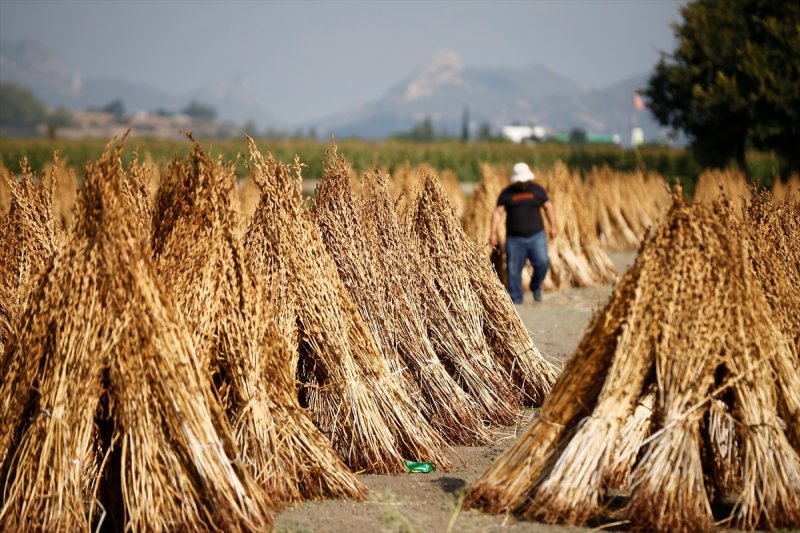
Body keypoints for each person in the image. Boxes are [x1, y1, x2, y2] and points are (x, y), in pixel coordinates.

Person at [489, 162, 557, 304]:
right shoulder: (507, 193)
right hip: (514, 238)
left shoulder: (537, 190)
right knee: (513, 269)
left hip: (536, 236)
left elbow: (548, 207)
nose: (522, 183)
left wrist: (553, 226)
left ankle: (535, 285)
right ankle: (516, 299)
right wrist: (493, 232)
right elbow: (497, 212)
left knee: (543, 262)